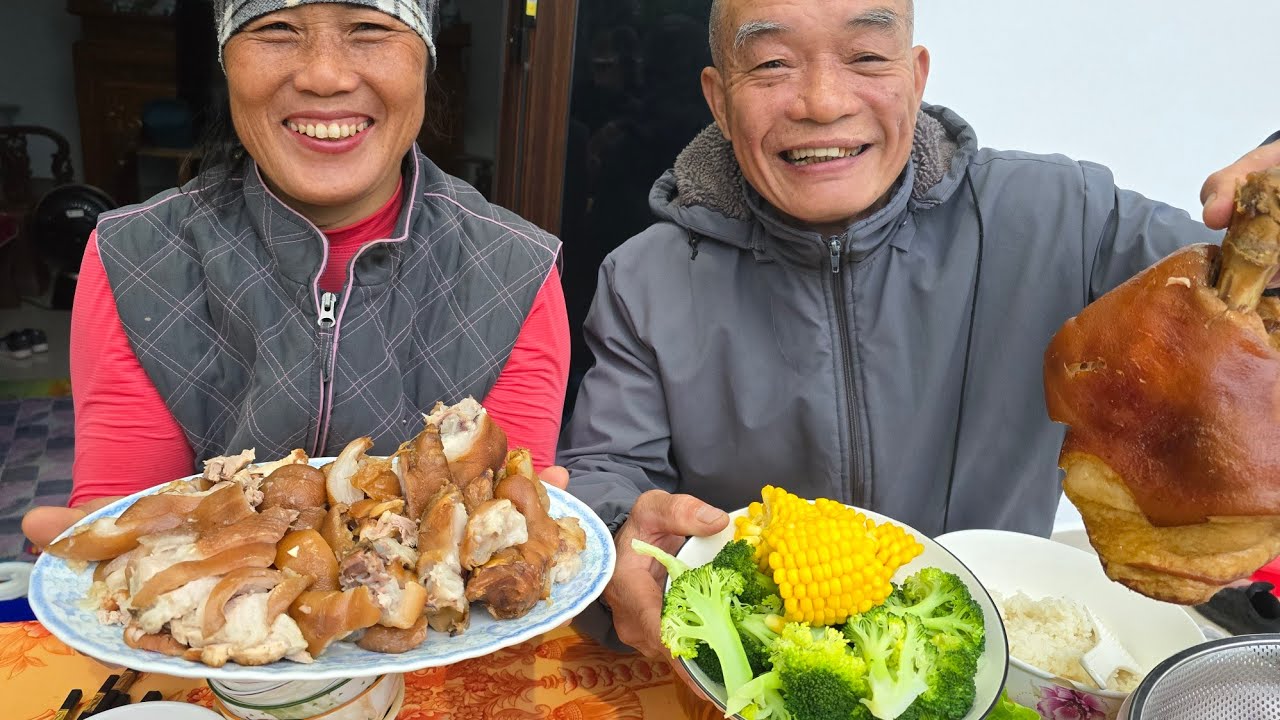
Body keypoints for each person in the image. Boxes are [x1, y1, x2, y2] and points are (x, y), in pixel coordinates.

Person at [557, 0, 1280, 658]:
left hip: (1000, 652)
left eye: (867, 56)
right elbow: (605, 471)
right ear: (719, 98)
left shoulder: (1065, 216)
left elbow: (1245, 295)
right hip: (759, 662)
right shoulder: (644, 280)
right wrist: (617, 531)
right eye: (773, 63)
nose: (823, 102)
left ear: (916, 75)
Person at [23, 0, 571, 548]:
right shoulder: (135, 258)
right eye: (277, 28)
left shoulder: (515, 270)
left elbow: (497, 545)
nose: (324, 76)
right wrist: (110, 553)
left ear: (424, 60)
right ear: (227, 60)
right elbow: (130, 526)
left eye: (369, 28)